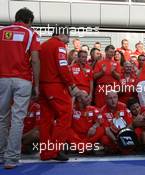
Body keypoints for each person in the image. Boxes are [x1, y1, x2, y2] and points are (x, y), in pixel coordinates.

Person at [39, 26, 87, 161]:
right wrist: (72, 85)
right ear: (61, 34)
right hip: (55, 86)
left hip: (43, 86)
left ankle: (45, 153)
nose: (69, 39)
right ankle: (53, 151)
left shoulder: (43, 45)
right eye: (68, 36)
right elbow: (63, 67)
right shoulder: (59, 45)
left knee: (45, 120)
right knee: (65, 115)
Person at [0, 7, 40, 169]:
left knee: (2, 117)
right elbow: (36, 60)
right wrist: (36, 84)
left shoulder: (2, 32)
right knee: (17, 119)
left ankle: (2, 154)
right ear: (29, 21)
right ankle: (11, 158)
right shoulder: (31, 34)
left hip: (3, 79)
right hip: (22, 80)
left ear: (16, 18)